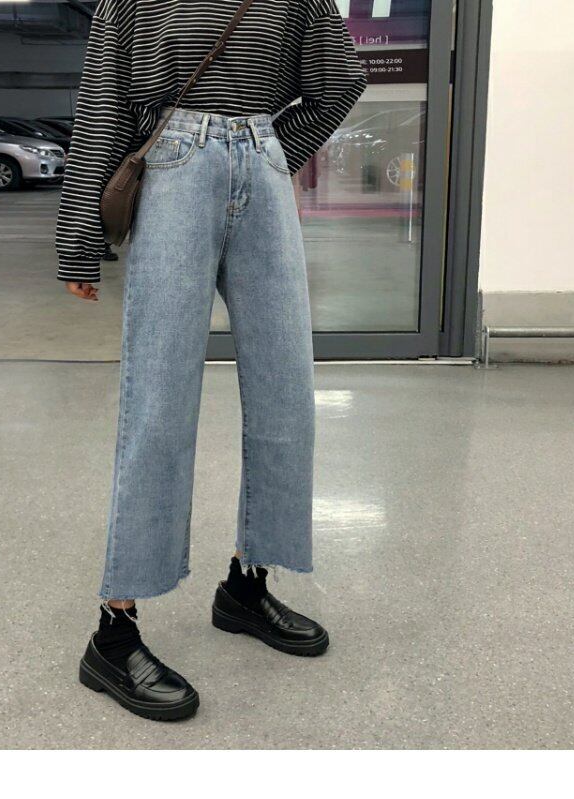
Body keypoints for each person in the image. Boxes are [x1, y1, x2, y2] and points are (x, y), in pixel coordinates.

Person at [55, 0, 367, 722]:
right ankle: (114, 630)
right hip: (173, 171)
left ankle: (246, 585)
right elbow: (103, 106)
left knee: (287, 392)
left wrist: (272, 146)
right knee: (159, 402)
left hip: (262, 165)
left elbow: (339, 80)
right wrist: (79, 239)